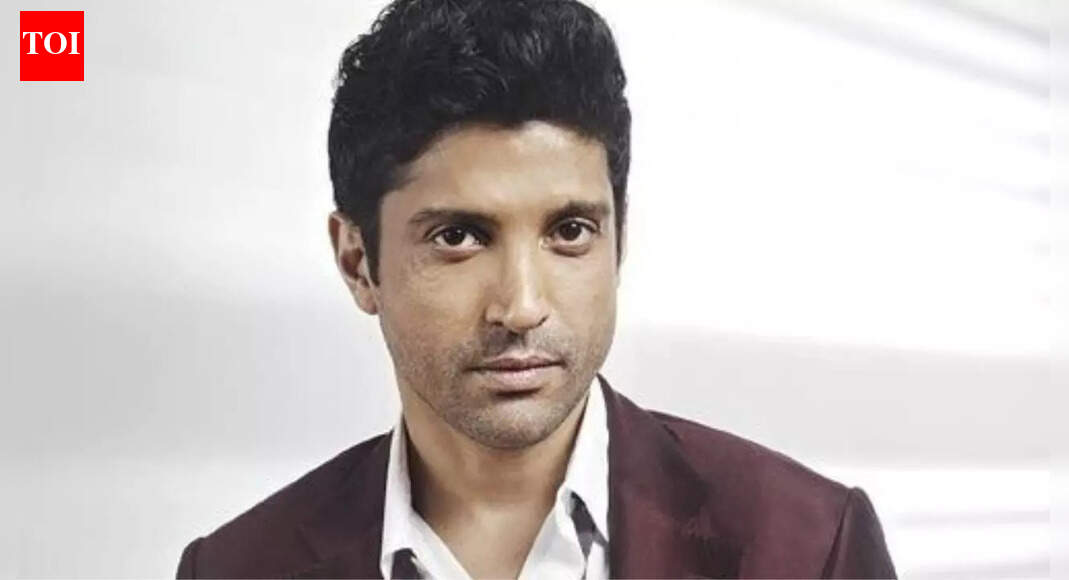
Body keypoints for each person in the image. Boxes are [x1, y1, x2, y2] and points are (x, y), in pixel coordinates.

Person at [176, 0, 896, 578]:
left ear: (619, 240)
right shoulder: (237, 568)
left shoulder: (807, 548)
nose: (521, 306)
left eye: (570, 231)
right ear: (358, 262)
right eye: (459, 236)